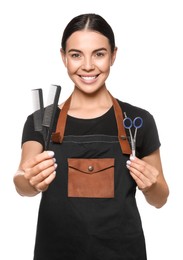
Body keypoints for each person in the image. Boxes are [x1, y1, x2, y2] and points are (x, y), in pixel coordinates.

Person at [13, 13, 169, 260]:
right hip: (56, 252)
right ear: (63, 57)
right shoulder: (42, 120)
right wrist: (28, 180)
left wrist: (151, 186)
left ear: (113, 55)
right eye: (76, 55)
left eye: (99, 53)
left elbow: (161, 198)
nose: (87, 66)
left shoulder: (138, 121)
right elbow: (23, 179)